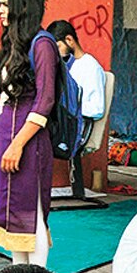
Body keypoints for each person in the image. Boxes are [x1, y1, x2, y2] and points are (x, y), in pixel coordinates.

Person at [0, 0, 56, 267]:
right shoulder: (14, 43)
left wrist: (17, 145)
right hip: (9, 137)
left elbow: (44, 101)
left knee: (31, 216)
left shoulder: (42, 44)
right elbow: (6, 97)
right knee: (13, 218)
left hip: (29, 142)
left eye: (5, 4)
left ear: (22, 6)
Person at [47, 19, 106, 201]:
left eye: (57, 46)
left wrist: (64, 109)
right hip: (66, 124)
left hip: (77, 129)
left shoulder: (91, 67)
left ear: (69, 40)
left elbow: (97, 108)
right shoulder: (69, 66)